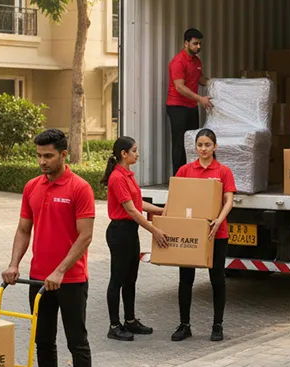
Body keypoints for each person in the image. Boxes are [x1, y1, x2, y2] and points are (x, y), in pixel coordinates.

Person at [2, 129, 95, 367]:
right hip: (38, 279)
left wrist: (60, 271)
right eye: (39, 156)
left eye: (48, 156)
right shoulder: (32, 186)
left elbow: (85, 235)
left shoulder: (80, 188)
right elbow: (23, 230)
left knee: (77, 343)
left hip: (71, 279)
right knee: (43, 342)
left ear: (64, 154)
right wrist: (14, 265)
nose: (42, 161)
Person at [168, 128, 236, 342]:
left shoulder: (223, 171)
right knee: (185, 279)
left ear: (215, 147)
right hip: (191, 233)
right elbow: (175, 200)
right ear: (195, 147)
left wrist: (219, 219)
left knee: (217, 279)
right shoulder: (185, 170)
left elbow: (229, 201)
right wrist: (169, 222)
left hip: (216, 232)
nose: (203, 149)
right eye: (200, 145)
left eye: (207, 145)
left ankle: (217, 325)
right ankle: (184, 324)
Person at [101, 136, 168, 341]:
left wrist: (161, 211)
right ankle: (114, 326)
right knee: (117, 280)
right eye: (135, 151)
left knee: (131, 279)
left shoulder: (128, 175)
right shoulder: (117, 178)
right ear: (124, 154)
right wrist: (154, 230)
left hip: (130, 232)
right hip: (120, 232)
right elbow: (131, 210)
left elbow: (138, 204)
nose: (137, 154)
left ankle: (130, 321)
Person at [167, 28, 213, 176]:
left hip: (191, 106)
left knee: (194, 141)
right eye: (195, 44)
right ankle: (177, 177)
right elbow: (179, 87)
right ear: (186, 43)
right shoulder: (178, 62)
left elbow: (199, 79)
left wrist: (216, 83)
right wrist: (200, 99)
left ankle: (191, 174)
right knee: (180, 142)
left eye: (199, 44)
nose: (198, 47)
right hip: (177, 107)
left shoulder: (196, 61)